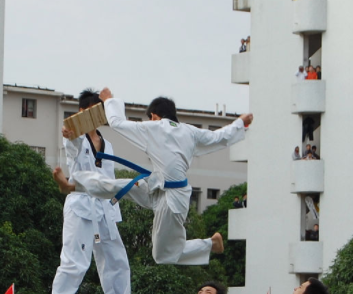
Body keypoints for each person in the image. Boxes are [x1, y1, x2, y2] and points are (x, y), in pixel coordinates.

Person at [57, 88, 252, 266]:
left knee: (162, 255)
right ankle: (73, 186)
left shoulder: (154, 128)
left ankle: (210, 244)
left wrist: (109, 101)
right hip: (158, 187)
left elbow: (116, 122)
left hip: (171, 198)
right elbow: (219, 138)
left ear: (154, 116)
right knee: (118, 186)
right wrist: (239, 124)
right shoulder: (190, 131)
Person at [48, 89, 132, 294]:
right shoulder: (75, 138)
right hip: (81, 206)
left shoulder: (108, 145)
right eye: (90, 111)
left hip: (105, 208)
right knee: (75, 260)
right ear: (82, 112)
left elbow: (109, 180)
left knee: (117, 260)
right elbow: (71, 140)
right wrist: (69, 133)